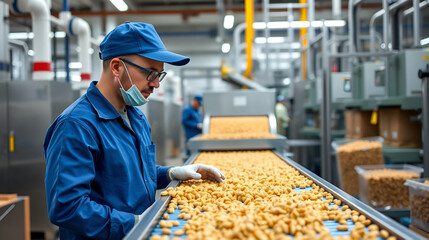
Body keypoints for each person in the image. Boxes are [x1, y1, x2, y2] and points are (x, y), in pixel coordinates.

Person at [44, 22, 225, 240]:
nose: (156, 84)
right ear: (117, 67)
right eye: (150, 73)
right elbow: (67, 207)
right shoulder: (77, 125)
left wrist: (169, 173)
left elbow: (129, 174)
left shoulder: (136, 117)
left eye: (160, 75)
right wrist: (136, 223)